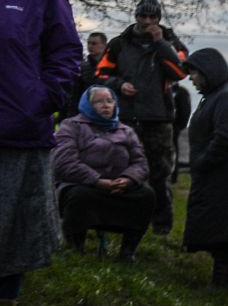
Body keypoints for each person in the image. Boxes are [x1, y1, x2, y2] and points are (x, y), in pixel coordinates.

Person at [0, 0, 84, 306]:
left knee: (13, 220)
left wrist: (43, 99)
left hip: (18, 128)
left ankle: (8, 301)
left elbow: (67, 54)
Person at [96, 0, 189, 238]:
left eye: (152, 17)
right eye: (143, 16)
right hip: (126, 116)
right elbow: (101, 73)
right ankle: (120, 222)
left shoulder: (171, 42)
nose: (147, 21)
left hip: (159, 119)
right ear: (136, 16)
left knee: (160, 174)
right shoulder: (119, 43)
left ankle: (161, 226)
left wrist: (161, 45)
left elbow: (181, 72)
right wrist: (119, 84)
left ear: (158, 18)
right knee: (121, 169)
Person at [181, 48, 228, 290]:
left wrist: (202, 162)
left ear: (207, 71)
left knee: (227, 231)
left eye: (194, 73)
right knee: (219, 227)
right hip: (219, 171)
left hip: (227, 173)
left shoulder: (226, 97)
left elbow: (225, 137)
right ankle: (221, 281)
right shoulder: (217, 94)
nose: (191, 79)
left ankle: (224, 285)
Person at [52, 86, 153, 259]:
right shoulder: (71, 126)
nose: (106, 105)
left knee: (146, 195)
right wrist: (97, 180)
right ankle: (75, 248)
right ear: (87, 105)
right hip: (82, 184)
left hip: (119, 186)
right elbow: (64, 162)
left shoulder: (126, 131)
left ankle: (127, 252)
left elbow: (140, 162)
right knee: (80, 196)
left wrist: (128, 179)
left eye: (109, 101)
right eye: (99, 101)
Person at [67, 31, 109, 115]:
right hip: (87, 111)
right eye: (89, 43)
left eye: (94, 43)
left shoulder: (111, 66)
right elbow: (76, 93)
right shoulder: (83, 67)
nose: (90, 46)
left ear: (104, 45)